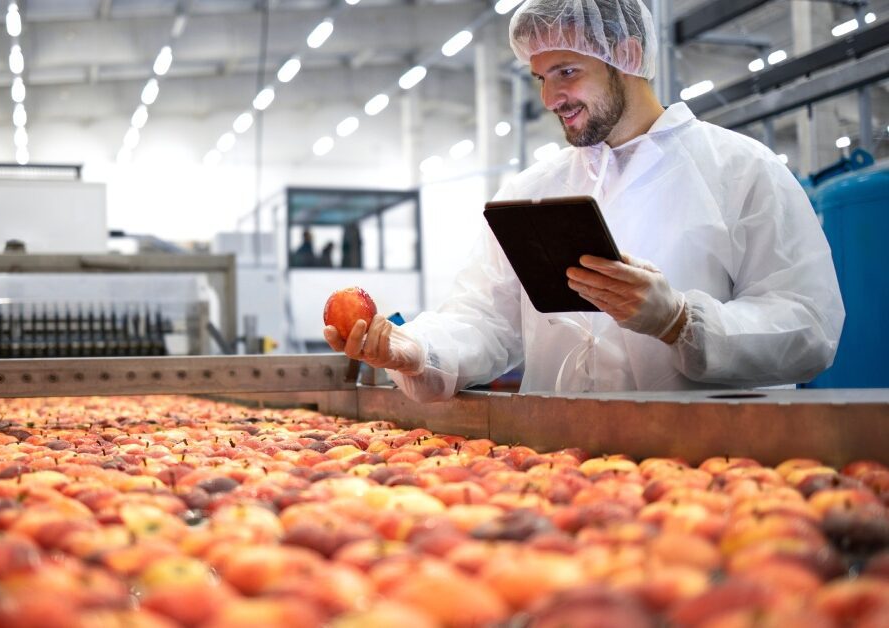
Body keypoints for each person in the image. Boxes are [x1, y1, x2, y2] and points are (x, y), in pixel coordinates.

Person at [324, 0, 844, 402]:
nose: (551, 99)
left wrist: (682, 323)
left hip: (709, 470)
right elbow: (485, 317)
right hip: (561, 466)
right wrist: (416, 349)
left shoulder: (742, 172)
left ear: (630, 57)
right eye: (541, 78)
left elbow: (808, 327)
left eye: (567, 72)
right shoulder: (532, 191)